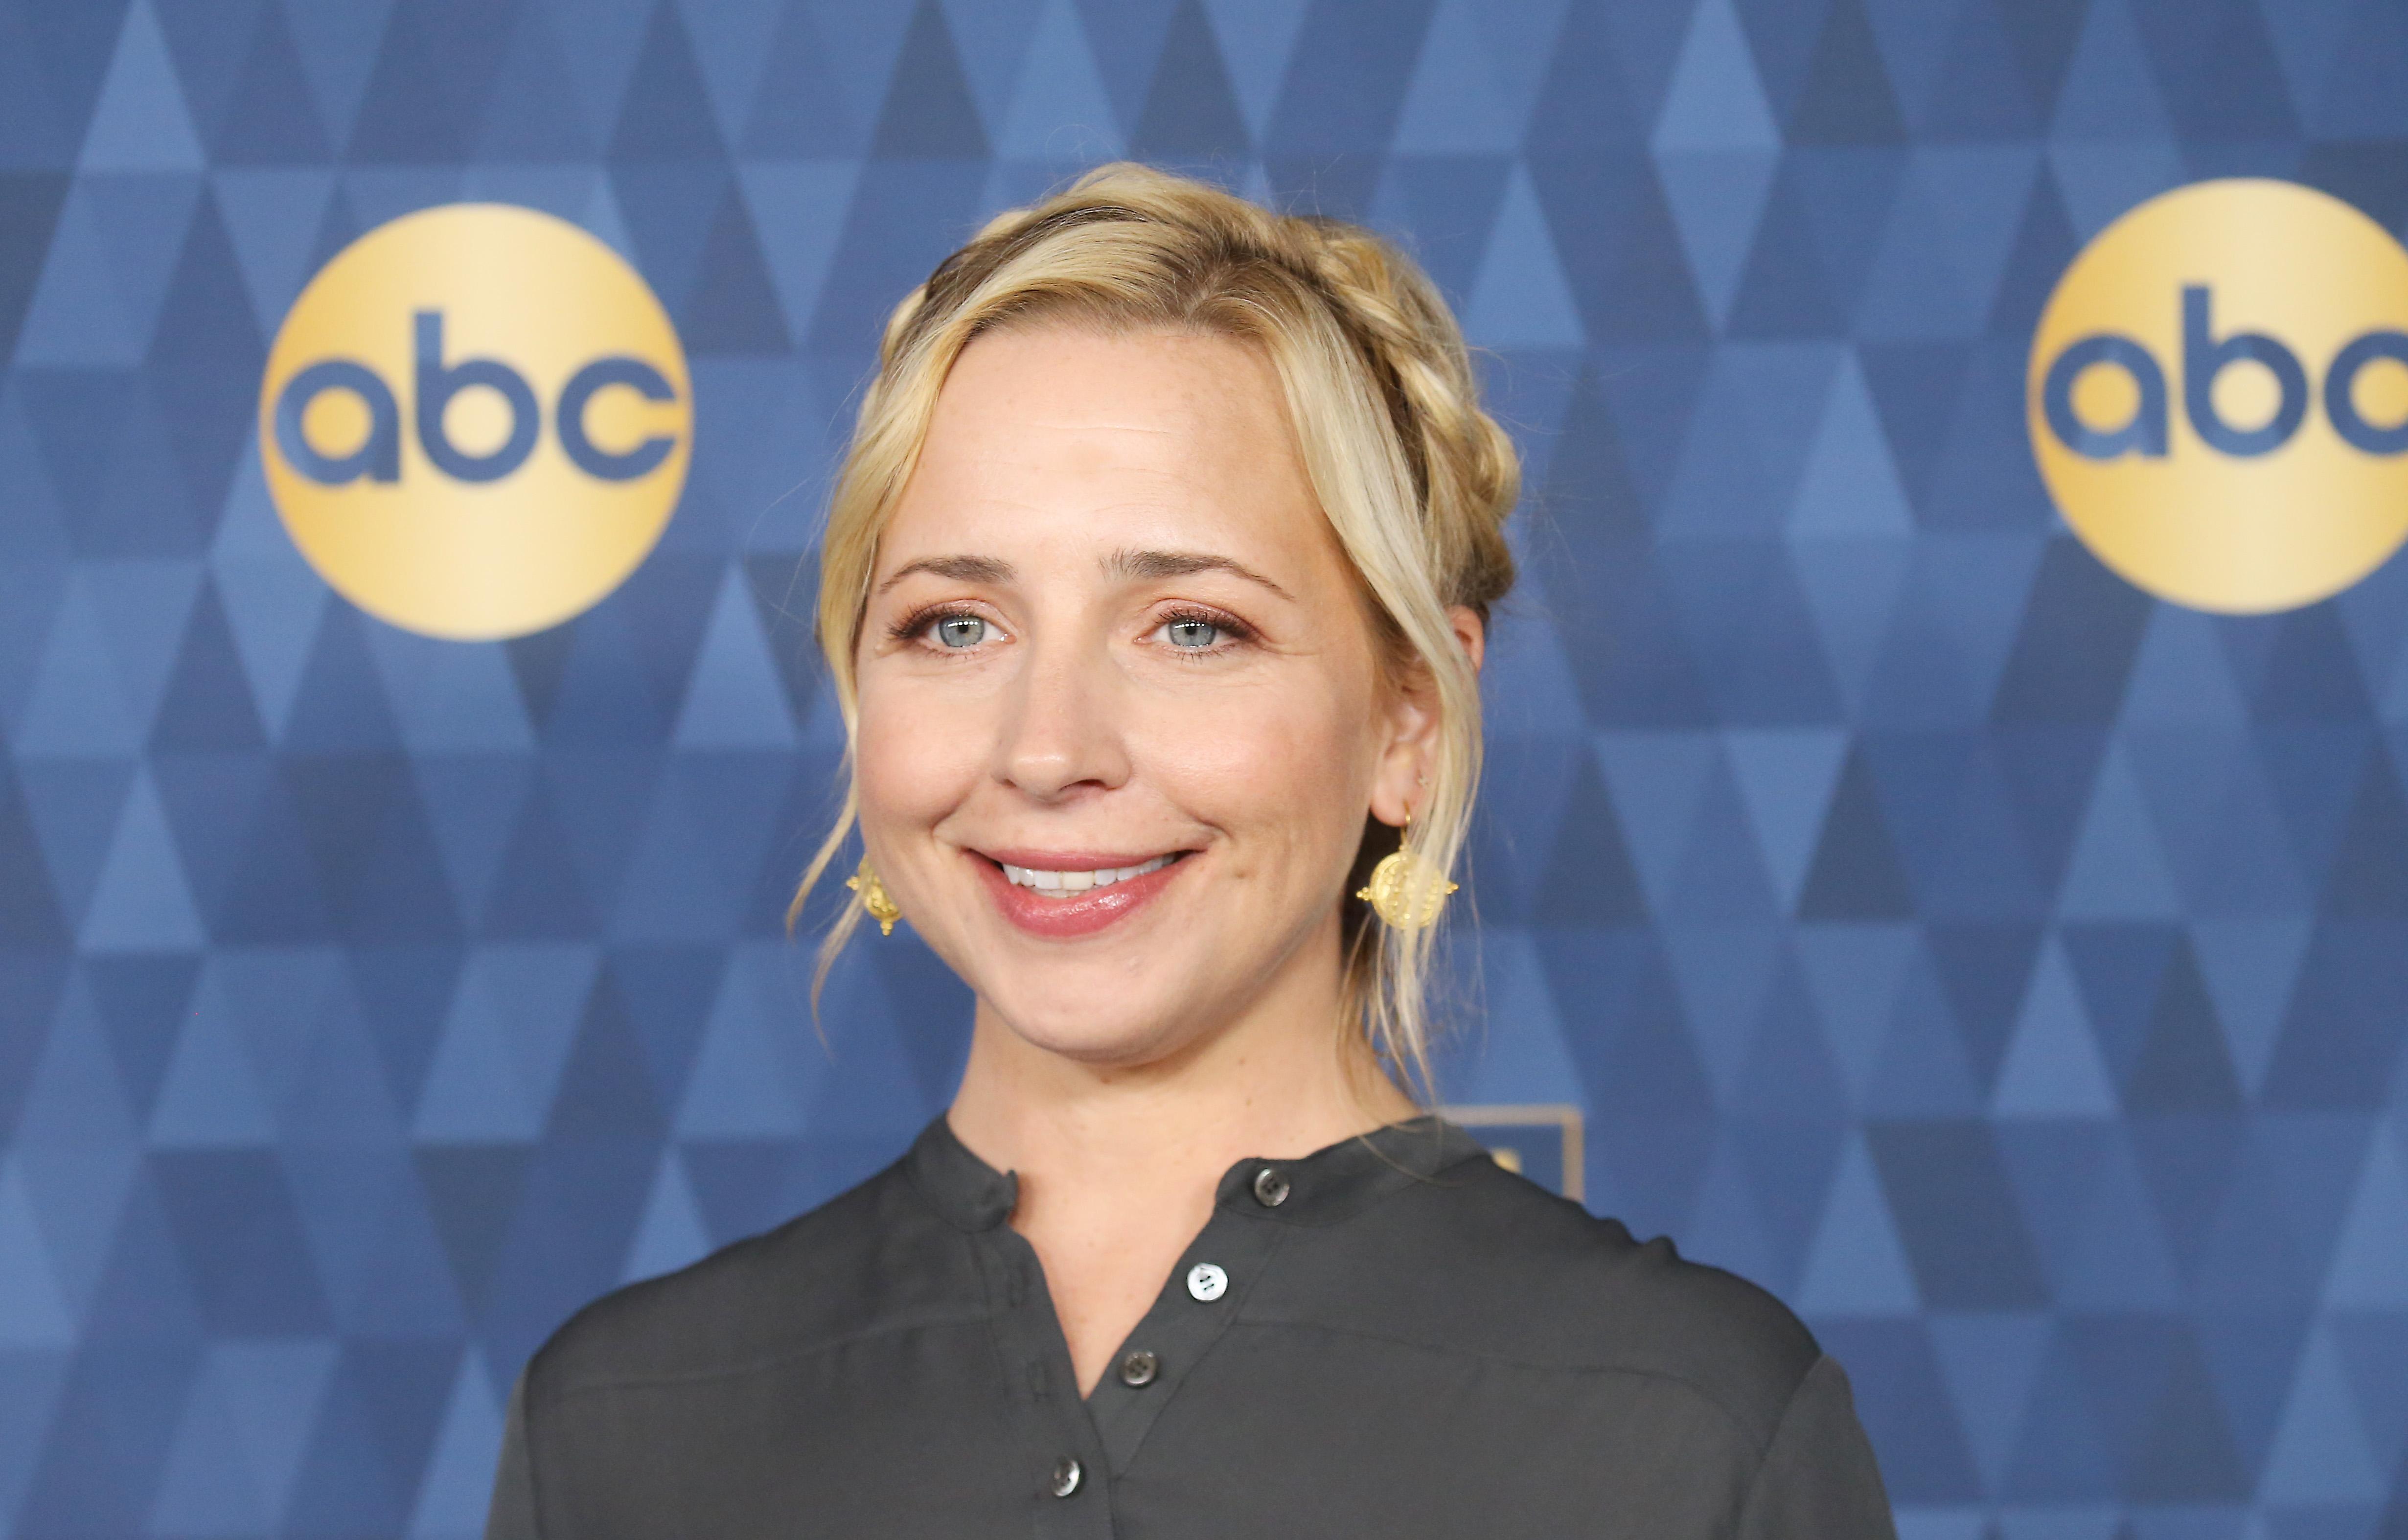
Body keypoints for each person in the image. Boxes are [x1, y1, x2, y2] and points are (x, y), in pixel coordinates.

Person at [483, 162, 1895, 1538]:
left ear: (1410, 713)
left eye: (1192, 628)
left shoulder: (1687, 1425)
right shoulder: (628, 1421)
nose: (1048, 747)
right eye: (953, 624)